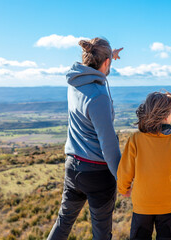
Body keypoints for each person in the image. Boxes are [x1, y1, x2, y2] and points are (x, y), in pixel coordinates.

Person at [48, 37, 123, 240]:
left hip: (73, 167)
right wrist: (122, 178)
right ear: (105, 62)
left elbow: (95, 75)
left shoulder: (75, 84)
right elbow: (108, 144)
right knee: (101, 234)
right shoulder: (99, 97)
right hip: (98, 173)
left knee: (63, 224)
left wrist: (109, 56)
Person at [117, 91, 171, 240]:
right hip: (167, 205)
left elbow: (125, 170)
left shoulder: (135, 139)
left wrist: (123, 189)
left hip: (142, 204)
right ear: (166, 115)